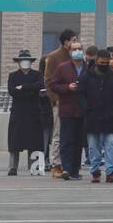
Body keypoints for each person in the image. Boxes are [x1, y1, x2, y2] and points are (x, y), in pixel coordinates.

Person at [48, 39, 88, 179]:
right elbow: (53, 85)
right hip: (67, 109)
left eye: (79, 49)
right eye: (74, 49)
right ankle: (66, 168)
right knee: (66, 140)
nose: (77, 52)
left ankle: (75, 170)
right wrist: (67, 88)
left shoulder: (88, 67)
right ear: (69, 52)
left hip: (82, 111)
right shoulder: (62, 67)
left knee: (78, 142)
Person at [80, 47, 113, 183]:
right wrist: (86, 108)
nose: (104, 65)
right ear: (96, 61)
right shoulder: (86, 76)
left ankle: (111, 171)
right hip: (92, 116)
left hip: (109, 116)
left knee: (110, 145)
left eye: (106, 63)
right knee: (93, 146)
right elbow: (81, 95)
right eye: (101, 62)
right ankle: (95, 170)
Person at [42, 28, 78, 177]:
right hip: (60, 102)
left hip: (75, 103)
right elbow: (48, 81)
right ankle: (56, 164)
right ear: (66, 42)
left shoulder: (76, 57)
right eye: (73, 40)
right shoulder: (54, 57)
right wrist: (55, 100)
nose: (76, 43)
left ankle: (69, 164)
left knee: (72, 135)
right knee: (58, 133)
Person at [6, 49, 45, 175]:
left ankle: (34, 167)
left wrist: (23, 87)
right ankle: (13, 167)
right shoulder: (13, 76)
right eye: (22, 60)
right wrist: (31, 89)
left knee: (35, 141)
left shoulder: (37, 74)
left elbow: (40, 85)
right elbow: (12, 91)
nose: (24, 63)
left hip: (34, 111)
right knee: (15, 142)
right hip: (18, 112)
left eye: (27, 60)